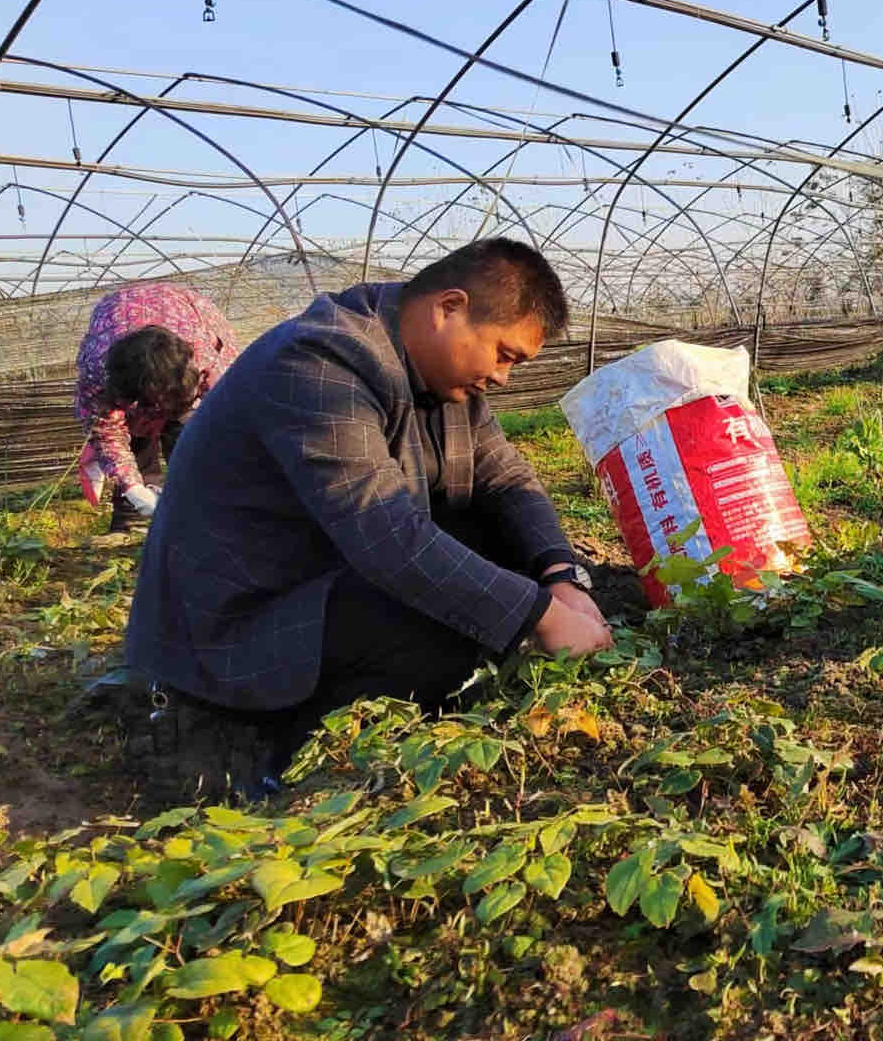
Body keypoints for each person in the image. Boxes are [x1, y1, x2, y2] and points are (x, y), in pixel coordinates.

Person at [116, 239, 614, 802]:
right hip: (240, 620)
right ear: (449, 308)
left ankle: (382, 697)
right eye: (504, 354)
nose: (503, 377)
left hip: (324, 578)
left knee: (495, 548)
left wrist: (558, 576)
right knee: (444, 626)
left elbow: (506, 480)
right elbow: (387, 537)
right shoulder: (322, 363)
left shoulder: (442, 379)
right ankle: (279, 744)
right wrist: (538, 616)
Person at [74, 283, 240, 533]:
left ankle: (203, 507)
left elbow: (233, 414)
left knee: (189, 430)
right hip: (115, 323)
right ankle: (132, 518)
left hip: (183, 311)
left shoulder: (206, 356)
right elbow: (106, 432)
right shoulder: (97, 371)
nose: (158, 414)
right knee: (135, 439)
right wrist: (134, 488)